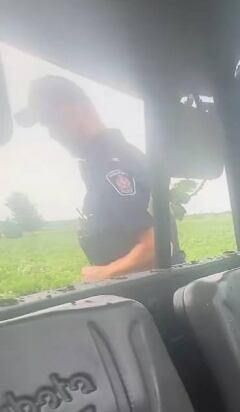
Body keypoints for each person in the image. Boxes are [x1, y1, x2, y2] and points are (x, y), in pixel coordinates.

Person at [15, 75, 156, 282]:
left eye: (52, 121)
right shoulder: (105, 161)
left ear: (77, 109)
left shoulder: (113, 163)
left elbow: (155, 248)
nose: (52, 134)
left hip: (144, 306)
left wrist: (104, 274)